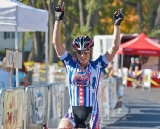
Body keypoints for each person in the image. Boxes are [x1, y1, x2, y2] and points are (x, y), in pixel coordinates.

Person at [53, 2, 124, 129]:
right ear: (76, 52)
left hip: (92, 113)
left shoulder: (97, 65)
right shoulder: (69, 63)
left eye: (85, 52)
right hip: (73, 111)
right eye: (79, 52)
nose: (82, 55)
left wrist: (116, 25)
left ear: (90, 52)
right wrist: (58, 19)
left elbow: (115, 48)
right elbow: (56, 43)